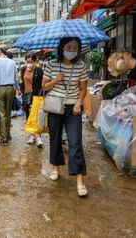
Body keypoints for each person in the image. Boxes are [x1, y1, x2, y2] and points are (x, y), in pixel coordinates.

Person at [41, 37, 89, 197]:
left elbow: (83, 88)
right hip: (55, 106)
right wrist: (56, 80)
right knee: (55, 139)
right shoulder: (51, 64)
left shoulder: (81, 65)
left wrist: (78, 103)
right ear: (62, 48)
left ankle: (80, 181)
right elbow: (44, 86)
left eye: (75, 48)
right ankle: (55, 168)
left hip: (73, 108)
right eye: (69, 47)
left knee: (75, 142)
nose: (72, 50)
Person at [0, 46, 20, 145]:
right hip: (10, 88)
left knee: (2, 114)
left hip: (0, 89)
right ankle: (8, 134)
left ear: (0, 52)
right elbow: (16, 77)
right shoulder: (12, 62)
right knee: (7, 113)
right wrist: (17, 89)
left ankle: (3, 138)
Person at [21, 52, 44, 148]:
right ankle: (31, 135)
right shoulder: (23, 69)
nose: (29, 63)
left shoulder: (39, 70)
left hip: (36, 95)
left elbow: (42, 83)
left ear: (35, 61)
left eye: (31, 61)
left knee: (37, 116)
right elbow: (22, 81)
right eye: (27, 61)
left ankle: (38, 137)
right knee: (28, 115)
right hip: (26, 94)